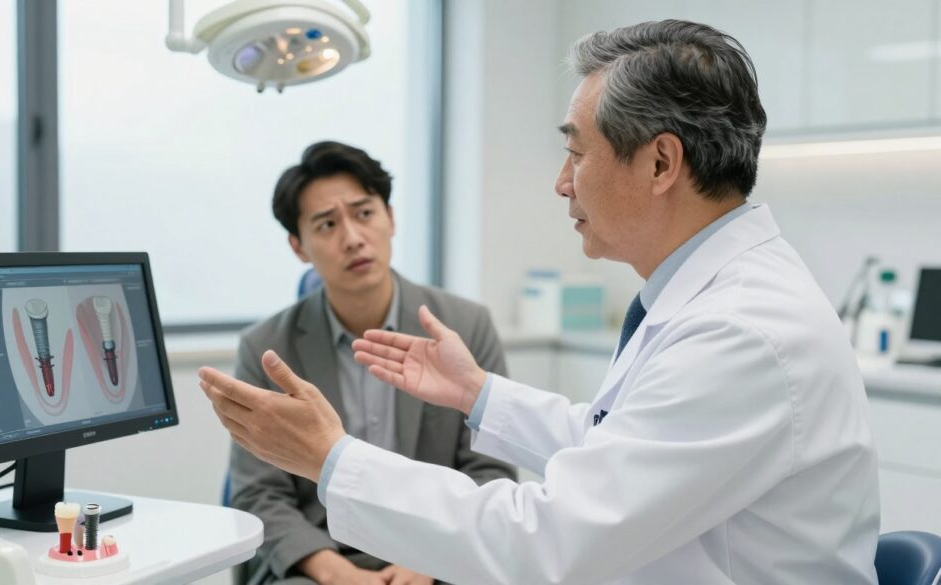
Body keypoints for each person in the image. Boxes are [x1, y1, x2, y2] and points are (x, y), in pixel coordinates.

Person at [201, 21, 880, 584]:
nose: (561, 184)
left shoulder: (740, 331)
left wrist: (334, 459)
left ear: (660, 164)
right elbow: (615, 441)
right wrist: (480, 393)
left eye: (577, 154)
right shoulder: (702, 300)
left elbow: (544, 541)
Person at [228, 141, 516, 585]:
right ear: (298, 246)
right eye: (326, 224)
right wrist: (333, 571)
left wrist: (434, 558)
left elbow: (490, 468)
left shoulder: (463, 326)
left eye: (364, 214)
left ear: (391, 218)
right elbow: (258, 492)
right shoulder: (266, 348)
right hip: (320, 561)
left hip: (437, 553)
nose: (353, 238)